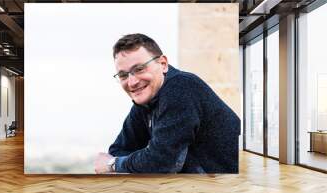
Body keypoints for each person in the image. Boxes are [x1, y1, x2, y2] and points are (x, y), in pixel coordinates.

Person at [94, 33, 240, 174]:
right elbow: (118, 150)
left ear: (163, 64)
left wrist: (113, 164)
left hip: (228, 188)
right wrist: (142, 158)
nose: (132, 82)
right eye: (123, 75)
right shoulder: (146, 101)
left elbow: (161, 162)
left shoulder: (181, 87)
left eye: (139, 69)